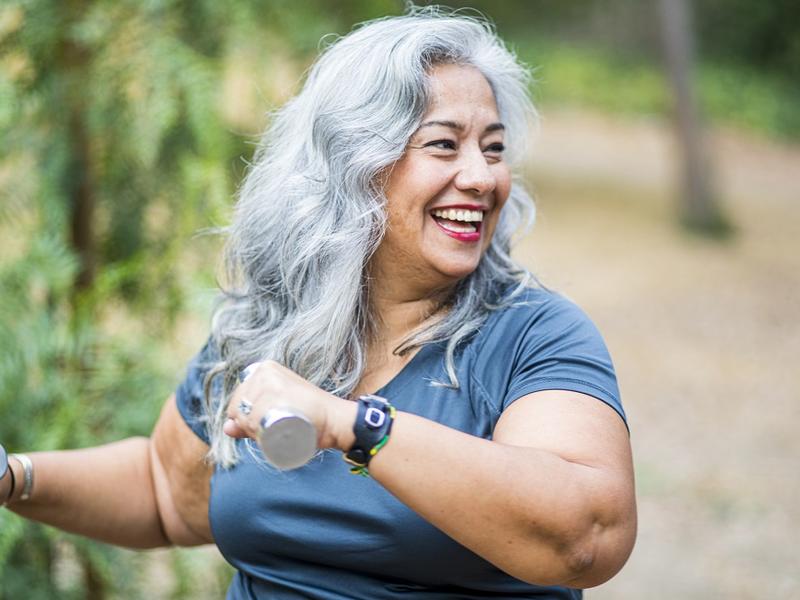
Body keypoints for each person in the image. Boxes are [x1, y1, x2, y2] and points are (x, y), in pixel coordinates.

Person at [0, 8, 636, 599]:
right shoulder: (271, 323)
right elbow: (166, 490)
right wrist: (13, 476)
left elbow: (585, 535)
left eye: (493, 148)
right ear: (355, 163)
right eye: (444, 145)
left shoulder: (534, 336)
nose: (482, 176)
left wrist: (355, 427)